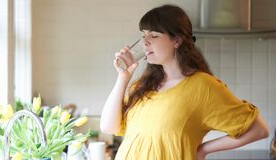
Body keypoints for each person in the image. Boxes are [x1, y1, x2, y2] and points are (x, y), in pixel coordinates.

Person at [100, 4, 269, 160]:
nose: (145, 41)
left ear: (177, 41)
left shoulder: (203, 87)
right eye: (143, 35)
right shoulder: (142, 87)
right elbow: (109, 127)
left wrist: (204, 149)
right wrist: (123, 78)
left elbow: (259, 130)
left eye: (154, 35)